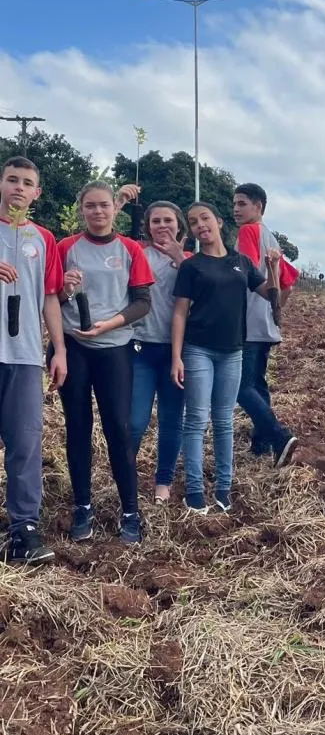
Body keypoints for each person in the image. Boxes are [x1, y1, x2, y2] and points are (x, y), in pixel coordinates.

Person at [57, 180, 154, 544]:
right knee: (77, 426)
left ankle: (131, 510)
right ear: (82, 210)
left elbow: (143, 301)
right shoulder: (66, 247)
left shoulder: (130, 248)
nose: (97, 212)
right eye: (90, 206)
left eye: (104, 206)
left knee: (118, 427)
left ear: (116, 208)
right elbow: (52, 295)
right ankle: (83, 506)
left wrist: (109, 324)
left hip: (114, 347)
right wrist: (66, 287)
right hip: (74, 347)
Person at [171, 202, 281, 514]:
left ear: (218, 222)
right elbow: (180, 312)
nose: (200, 225)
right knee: (196, 419)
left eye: (204, 218)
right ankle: (194, 491)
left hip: (233, 351)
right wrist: (176, 356)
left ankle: (223, 488)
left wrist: (272, 265)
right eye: (193, 222)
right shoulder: (192, 266)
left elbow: (270, 294)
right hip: (198, 349)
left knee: (223, 421)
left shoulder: (242, 262)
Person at [0, 156, 67, 563]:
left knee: (25, 445)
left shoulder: (44, 239)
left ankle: (23, 530)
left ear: (36, 193)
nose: (18, 187)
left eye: (27, 182)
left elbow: (50, 297)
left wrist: (58, 349)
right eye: (12, 179)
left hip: (24, 356)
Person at [233, 183, 299, 467]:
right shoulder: (270, 237)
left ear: (258, 206)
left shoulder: (249, 232)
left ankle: (278, 436)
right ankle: (261, 444)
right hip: (265, 323)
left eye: (242, 203)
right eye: (234, 203)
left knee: (241, 386)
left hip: (247, 320)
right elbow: (288, 283)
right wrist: (275, 310)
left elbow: (242, 272)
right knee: (257, 382)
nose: (236, 209)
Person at [130, 201, 189, 506]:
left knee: (170, 420)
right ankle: (126, 478)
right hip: (140, 348)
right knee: (135, 421)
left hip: (176, 353)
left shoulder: (190, 260)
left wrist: (180, 258)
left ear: (179, 225)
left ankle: (163, 481)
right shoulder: (137, 253)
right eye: (156, 220)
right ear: (147, 225)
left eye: (168, 220)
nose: (162, 225)